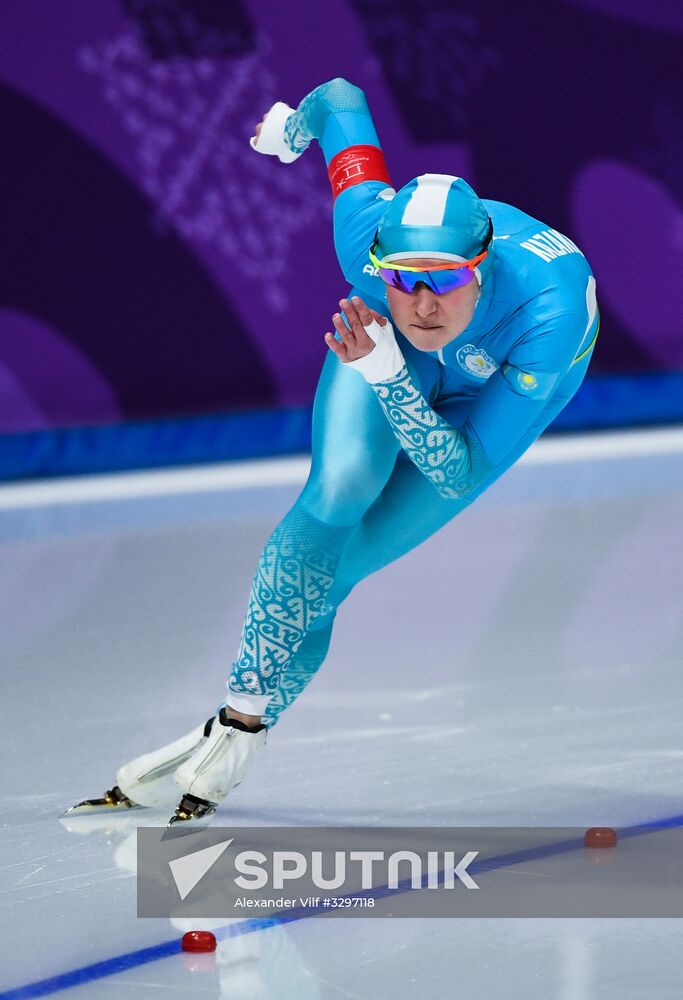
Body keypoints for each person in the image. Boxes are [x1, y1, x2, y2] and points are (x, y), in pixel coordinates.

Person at [65, 79, 598, 826]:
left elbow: (459, 469)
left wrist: (387, 375)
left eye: (443, 280)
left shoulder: (549, 312)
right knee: (339, 486)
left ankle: (229, 730)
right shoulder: (364, 235)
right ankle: (241, 716)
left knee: (335, 575)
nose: (420, 303)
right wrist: (290, 129)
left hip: (497, 383)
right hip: (386, 353)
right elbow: (341, 101)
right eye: (400, 278)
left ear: (480, 269)